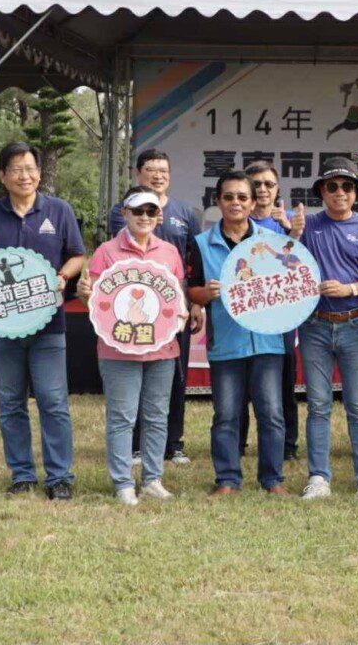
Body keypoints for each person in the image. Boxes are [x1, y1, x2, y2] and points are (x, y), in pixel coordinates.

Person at [0, 141, 86, 500]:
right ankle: (23, 474)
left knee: (53, 401)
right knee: (11, 403)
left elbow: (78, 255)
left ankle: (60, 476)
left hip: (49, 326)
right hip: (4, 327)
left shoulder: (58, 210)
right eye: (16, 170)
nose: (25, 176)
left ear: (39, 173)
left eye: (30, 168)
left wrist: (63, 276)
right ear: (2, 176)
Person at [188, 171, 294, 497]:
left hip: (268, 342)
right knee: (226, 415)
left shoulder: (271, 242)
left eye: (242, 197)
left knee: (272, 415)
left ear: (253, 202)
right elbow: (192, 291)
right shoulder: (201, 244)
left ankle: (273, 479)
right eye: (229, 196)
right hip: (226, 344)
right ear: (218, 201)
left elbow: (290, 286)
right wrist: (207, 294)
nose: (236, 202)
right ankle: (227, 479)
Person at [80, 187, 187, 505]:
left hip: (162, 349)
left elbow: (177, 294)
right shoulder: (106, 252)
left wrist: (180, 315)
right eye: (137, 211)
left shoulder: (169, 252)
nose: (144, 217)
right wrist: (85, 292)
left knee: (156, 415)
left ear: (159, 216)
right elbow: (94, 300)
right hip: (118, 349)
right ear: (124, 213)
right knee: (122, 416)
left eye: (150, 212)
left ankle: (152, 479)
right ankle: (123, 482)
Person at [297, 157, 358, 502]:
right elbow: (284, 262)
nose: (339, 193)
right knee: (319, 405)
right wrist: (290, 232)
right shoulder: (307, 226)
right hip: (315, 325)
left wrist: (349, 289)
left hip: (355, 322)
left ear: (355, 193)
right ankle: (319, 477)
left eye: (347, 187)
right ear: (321, 190)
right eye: (332, 186)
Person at [108, 149, 201, 465]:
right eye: (151, 169)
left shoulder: (185, 212)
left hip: (176, 311)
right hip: (133, 309)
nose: (158, 175)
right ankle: (135, 444)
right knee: (134, 374)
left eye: (164, 170)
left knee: (174, 375)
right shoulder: (121, 211)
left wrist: (196, 303)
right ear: (138, 174)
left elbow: (194, 262)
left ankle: (173, 443)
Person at [244, 159, 300, 462]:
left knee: (283, 383)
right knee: (241, 384)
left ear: (277, 188)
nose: (262, 189)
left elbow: (304, 264)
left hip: (282, 315)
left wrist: (292, 232)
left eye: (268, 183)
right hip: (245, 312)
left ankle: (288, 445)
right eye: (256, 184)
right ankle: (239, 443)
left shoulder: (290, 221)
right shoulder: (237, 220)